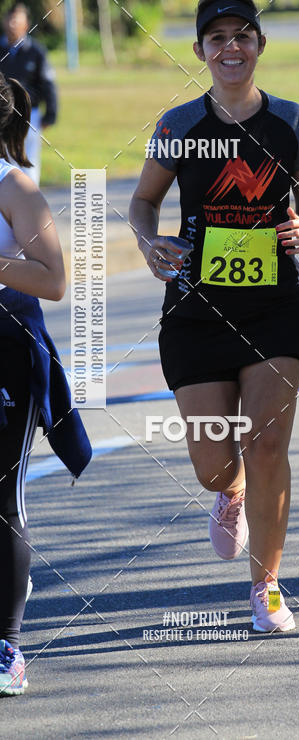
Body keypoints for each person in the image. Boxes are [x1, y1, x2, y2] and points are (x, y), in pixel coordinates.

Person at [129, 0, 299, 632]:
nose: (231, 47)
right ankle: (230, 493)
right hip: (195, 308)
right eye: (217, 38)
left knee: (269, 442)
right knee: (214, 463)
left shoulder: (292, 122)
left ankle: (266, 587)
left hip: (276, 307)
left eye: (243, 36)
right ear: (200, 52)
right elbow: (142, 202)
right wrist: (147, 241)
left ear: (260, 46)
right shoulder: (179, 125)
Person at [0, 74, 91, 694]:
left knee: (1, 501)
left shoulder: (12, 184)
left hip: (5, 351)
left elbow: (55, 279)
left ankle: (7, 645)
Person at [0, 4, 58, 185]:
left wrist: (50, 114)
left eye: (16, 20)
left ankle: (30, 204)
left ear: (26, 24)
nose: (11, 25)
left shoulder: (36, 52)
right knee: (6, 163)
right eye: (9, 20)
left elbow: (48, 83)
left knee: (28, 162)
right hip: (3, 116)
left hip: (29, 115)